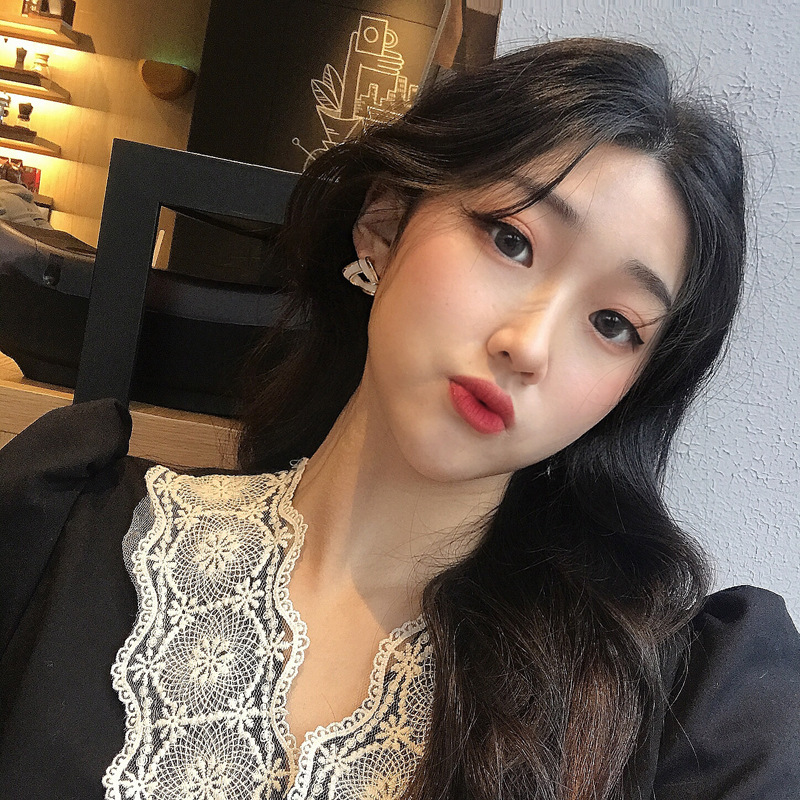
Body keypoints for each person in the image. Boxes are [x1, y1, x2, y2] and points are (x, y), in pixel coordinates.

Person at [1, 37, 798, 800]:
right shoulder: (58, 529)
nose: (528, 346)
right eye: (511, 240)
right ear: (383, 224)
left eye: (613, 323)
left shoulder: (686, 707)